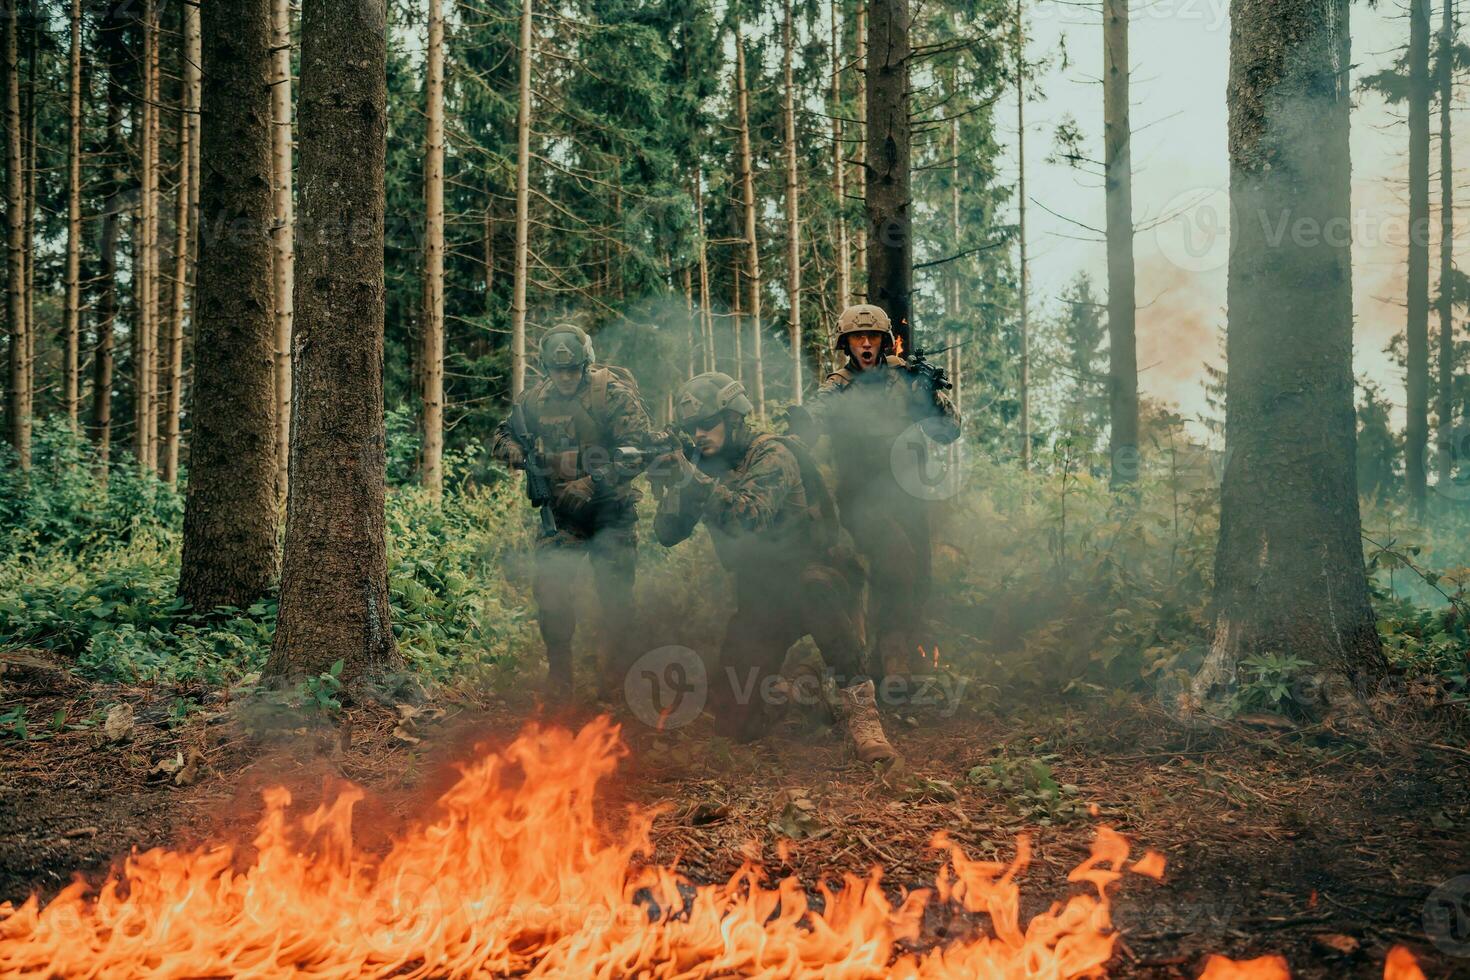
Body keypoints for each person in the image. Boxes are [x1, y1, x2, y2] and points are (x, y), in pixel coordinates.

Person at [651, 372, 899, 764]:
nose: (698, 434)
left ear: (733, 418)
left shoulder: (772, 454)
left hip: (817, 577)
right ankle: (797, 690)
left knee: (816, 589)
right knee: (734, 726)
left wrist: (692, 479)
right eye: (691, 428)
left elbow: (749, 517)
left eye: (707, 424)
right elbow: (665, 533)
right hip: (763, 598)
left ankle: (864, 717)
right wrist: (673, 483)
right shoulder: (704, 467)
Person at [795, 304, 961, 687]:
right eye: (857, 337)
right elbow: (811, 421)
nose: (866, 343)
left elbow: (949, 431)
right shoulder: (837, 386)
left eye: (872, 337)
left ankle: (898, 655)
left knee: (917, 578)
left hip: (908, 494)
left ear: (884, 341)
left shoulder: (907, 378)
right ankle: (886, 658)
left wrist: (929, 400)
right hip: (861, 498)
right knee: (896, 558)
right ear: (846, 343)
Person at [490, 323, 652, 702]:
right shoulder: (535, 400)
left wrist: (593, 484)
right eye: (557, 370)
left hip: (612, 510)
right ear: (546, 368)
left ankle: (616, 681)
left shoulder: (611, 395)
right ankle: (560, 678)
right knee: (551, 590)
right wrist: (518, 453)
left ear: (584, 364)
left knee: (615, 598)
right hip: (562, 514)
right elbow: (502, 434)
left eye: (571, 369)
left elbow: (640, 450)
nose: (564, 377)